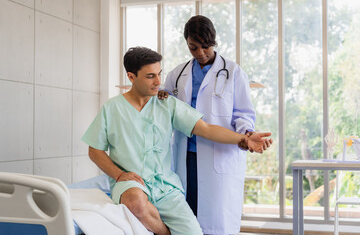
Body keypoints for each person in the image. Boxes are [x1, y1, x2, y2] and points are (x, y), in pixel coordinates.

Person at [82, 46, 272, 235]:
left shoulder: (167, 104)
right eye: (150, 76)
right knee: (136, 204)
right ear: (131, 77)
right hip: (130, 183)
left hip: (165, 186)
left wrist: (245, 139)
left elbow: (206, 129)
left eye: (159, 74)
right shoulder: (112, 108)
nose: (158, 82)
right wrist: (119, 175)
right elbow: (95, 150)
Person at [159, 15, 261, 235]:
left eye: (205, 47)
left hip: (220, 155)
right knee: (188, 217)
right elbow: (163, 104)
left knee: (218, 220)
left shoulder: (233, 72)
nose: (200, 53)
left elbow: (243, 113)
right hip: (185, 155)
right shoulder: (177, 75)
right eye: (193, 48)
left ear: (213, 42)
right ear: (187, 43)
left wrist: (246, 135)